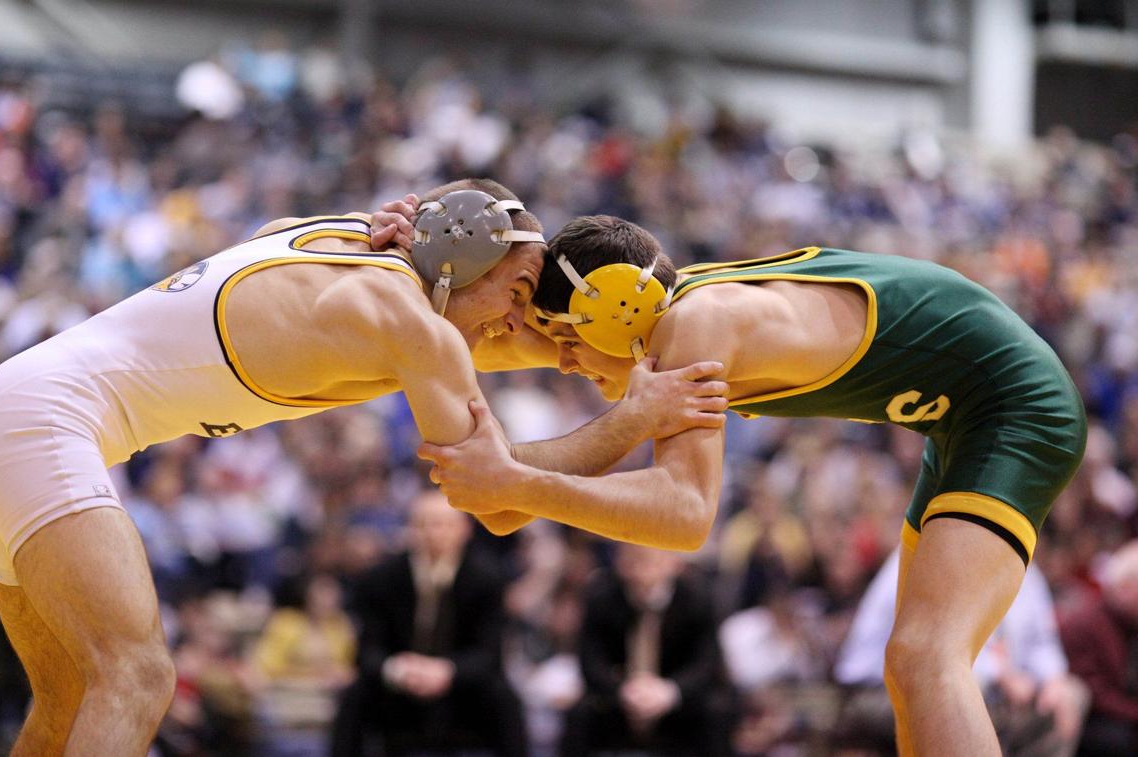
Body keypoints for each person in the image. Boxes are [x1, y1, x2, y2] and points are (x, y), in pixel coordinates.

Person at [0, 186, 727, 756]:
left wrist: (607, 346)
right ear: (462, 263)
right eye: (517, 294)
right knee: (138, 676)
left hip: (12, 412)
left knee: (67, 702)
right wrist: (632, 419)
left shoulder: (335, 237)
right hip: (43, 424)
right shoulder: (410, 325)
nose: (514, 323)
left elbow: (492, 325)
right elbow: (493, 499)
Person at [420, 215, 1088, 756]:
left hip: (1014, 404)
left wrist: (521, 477)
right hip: (959, 415)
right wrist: (407, 272)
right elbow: (487, 365)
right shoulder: (652, 317)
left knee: (925, 656)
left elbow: (685, 516)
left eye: (566, 340)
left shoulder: (697, 324)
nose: (561, 362)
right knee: (910, 666)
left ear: (614, 309)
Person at [835, 549, 1087, 756]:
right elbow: (927, 646)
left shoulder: (1024, 569)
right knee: (973, 701)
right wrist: (1000, 675)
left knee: (1070, 696)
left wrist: (1054, 679)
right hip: (875, 690)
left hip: (983, 683)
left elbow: (1041, 641)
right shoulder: (925, 553)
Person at [330, 489, 525, 756]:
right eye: (424, 524)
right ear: (410, 529)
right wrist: (396, 669)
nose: (434, 533)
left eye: (444, 524)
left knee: (505, 698)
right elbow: (367, 651)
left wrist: (447, 671)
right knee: (354, 696)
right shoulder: (380, 579)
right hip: (398, 685)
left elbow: (489, 654)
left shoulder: (487, 578)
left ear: (464, 530)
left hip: (461, 686)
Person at [560, 543, 733, 757]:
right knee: (579, 713)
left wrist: (670, 691)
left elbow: (706, 662)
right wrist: (622, 690)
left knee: (717, 710)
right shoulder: (601, 597)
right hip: (620, 695)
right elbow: (591, 660)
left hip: (676, 695)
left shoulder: (697, 598)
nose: (641, 568)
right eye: (632, 558)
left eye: (650, 559)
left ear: (674, 563)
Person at [1059, 540, 1138, 755]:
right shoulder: (1084, 624)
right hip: (1092, 720)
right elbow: (1094, 692)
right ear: (1124, 587)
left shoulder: (1129, 625)